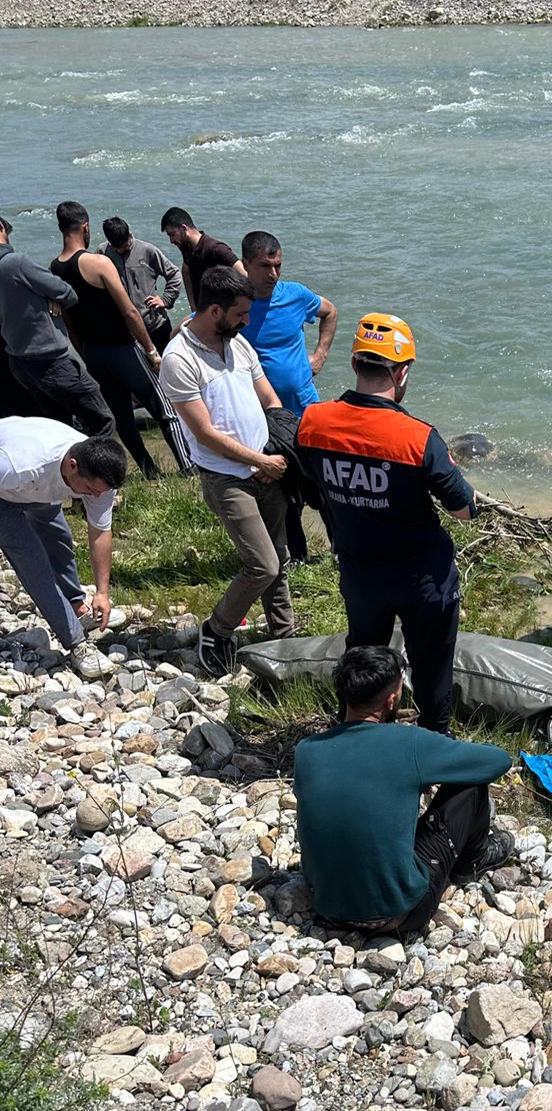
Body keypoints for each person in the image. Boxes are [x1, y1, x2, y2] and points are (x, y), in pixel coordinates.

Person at [296, 313, 475, 734]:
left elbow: (312, 478)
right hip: (422, 576)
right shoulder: (416, 437)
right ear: (403, 371)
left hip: (360, 570)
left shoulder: (313, 423)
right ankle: (434, 738)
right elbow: (463, 508)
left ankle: (358, 729)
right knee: (431, 662)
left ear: (356, 364)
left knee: (364, 657)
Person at [294, 646, 514, 934]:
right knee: (471, 784)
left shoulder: (307, 751)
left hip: (328, 907)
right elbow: (497, 761)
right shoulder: (408, 742)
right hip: (400, 913)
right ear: (391, 701)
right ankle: (471, 864)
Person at [158, 266, 293, 675]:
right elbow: (205, 434)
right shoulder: (178, 360)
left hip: (264, 466)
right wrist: (260, 461)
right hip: (227, 477)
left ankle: (285, 636)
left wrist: (276, 446)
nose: (247, 322)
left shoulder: (237, 344)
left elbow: (267, 395)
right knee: (261, 565)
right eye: (240, 314)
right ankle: (217, 629)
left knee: (280, 558)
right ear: (215, 310)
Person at [51, 200, 188, 480]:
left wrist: (86, 353)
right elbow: (129, 311)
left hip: (93, 352)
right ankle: (189, 467)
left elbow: (69, 323)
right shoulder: (98, 262)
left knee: (122, 417)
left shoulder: (55, 269)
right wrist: (151, 351)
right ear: (85, 227)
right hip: (123, 349)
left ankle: (151, 473)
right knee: (164, 407)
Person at [0, 416, 127, 680]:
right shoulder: (18, 466)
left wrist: (103, 591)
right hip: (5, 490)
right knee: (34, 564)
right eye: (90, 490)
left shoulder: (99, 479)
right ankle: (77, 644)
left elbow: (100, 532)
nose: (94, 497)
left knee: (60, 541)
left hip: (35, 489)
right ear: (72, 466)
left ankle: (76, 605)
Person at [239, 230, 338, 564]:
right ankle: (297, 556)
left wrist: (320, 355)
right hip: (264, 418)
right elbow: (193, 327)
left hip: (306, 411)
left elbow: (330, 311)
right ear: (246, 265)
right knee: (283, 492)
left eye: (278, 265)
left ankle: (341, 550)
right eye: (265, 266)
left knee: (324, 488)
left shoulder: (295, 295)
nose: (273, 274)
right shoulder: (236, 304)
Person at [0, 212, 114, 434]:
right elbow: (67, 293)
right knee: (102, 419)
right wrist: (50, 297)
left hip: (18, 361)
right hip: (49, 358)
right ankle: (99, 468)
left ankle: (66, 467)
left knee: (58, 424)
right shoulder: (16, 263)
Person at [100, 214, 182, 357]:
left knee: (168, 368)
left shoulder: (148, 251)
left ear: (130, 234)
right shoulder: (103, 253)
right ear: (110, 243)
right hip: (126, 332)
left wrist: (165, 299)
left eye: (126, 245)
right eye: (118, 248)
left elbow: (174, 274)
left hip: (156, 326)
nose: (122, 250)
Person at [159, 207, 242, 312]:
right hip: (204, 314)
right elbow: (186, 270)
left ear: (184, 229)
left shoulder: (216, 249)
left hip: (224, 316)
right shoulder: (187, 248)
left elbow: (245, 276)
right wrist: (193, 307)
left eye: (172, 234)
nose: (171, 241)